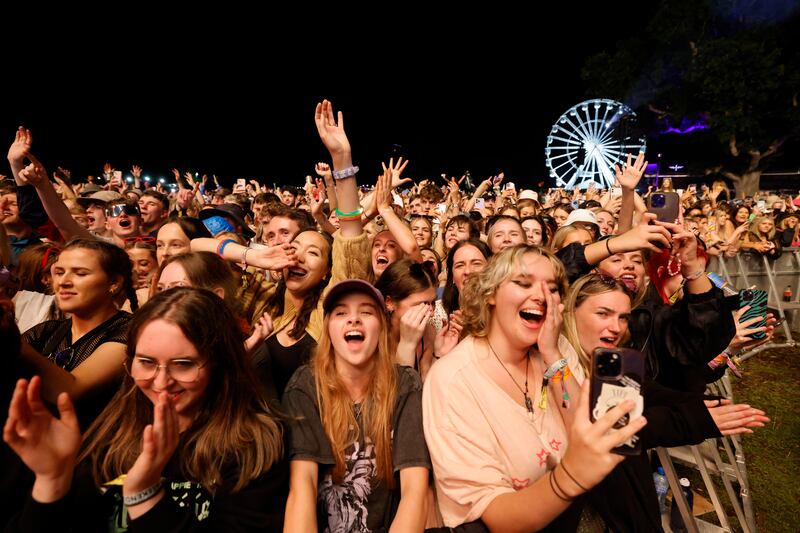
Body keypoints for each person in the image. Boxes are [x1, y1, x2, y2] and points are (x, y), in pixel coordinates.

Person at [3, 288, 288, 531]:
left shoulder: (256, 443)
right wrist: (51, 480)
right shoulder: (112, 430)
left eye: (184, 364)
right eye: (147, 362)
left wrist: (145, 496)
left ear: (221, 365)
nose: (161, 382)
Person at [423, 245, 647, 531]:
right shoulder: (453, 380)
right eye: (523, 283)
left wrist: (553, 356)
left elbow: (589, 431)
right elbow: (495, 515)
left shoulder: (557, 349)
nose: (541, 296)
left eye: (552, 288)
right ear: (491, 294)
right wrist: (568, 479)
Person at [559, 273, 768, 530]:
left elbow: (648, 392)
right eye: (603, 314)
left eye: (623, 317)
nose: (616, 327)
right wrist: (691, 419)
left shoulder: (611, 360)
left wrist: (699, 404)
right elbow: (614, 431)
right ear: (570, 311)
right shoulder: (553, 364)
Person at [283, 279, 430, 531]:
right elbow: (302, 486)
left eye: (366, 312)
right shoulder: (306, 386)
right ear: (328, 328)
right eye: (341, 313)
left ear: (382, 327)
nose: (354, 320)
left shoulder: (405, 384)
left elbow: (415, 491)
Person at [19, 239, 136, 427]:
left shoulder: (129, 332)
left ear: (114, 282)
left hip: (95, 450)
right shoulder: (45, 331)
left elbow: (70, 391)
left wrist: (7, 333)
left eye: (80, 273)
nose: (63, 282)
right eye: (59, 272)